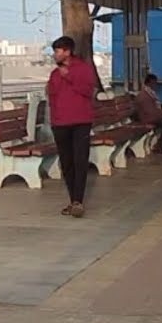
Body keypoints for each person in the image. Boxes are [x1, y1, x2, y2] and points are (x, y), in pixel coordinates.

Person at [47, 35, 96, 218]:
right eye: (55, 51)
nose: (55, 54)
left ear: (67, 51)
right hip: (60, 123)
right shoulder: (54, 74)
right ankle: (72, 199)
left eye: (58, 51)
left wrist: (70, 78)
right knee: (67, 163)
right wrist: (53, 121)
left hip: (81, 122)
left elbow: (87, 91)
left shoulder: (82, 69)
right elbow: (52, 97)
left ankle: (78, 200)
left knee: (80, 160)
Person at [135, 73, 162, 154]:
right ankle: (160, 146)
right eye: (153, 83)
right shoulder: (144, 95)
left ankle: (160, 145)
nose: (155, 85)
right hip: (148, 118)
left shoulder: (149, 93)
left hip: (151, 116)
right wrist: (161, 114)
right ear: (148, 83)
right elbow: (149, 110)